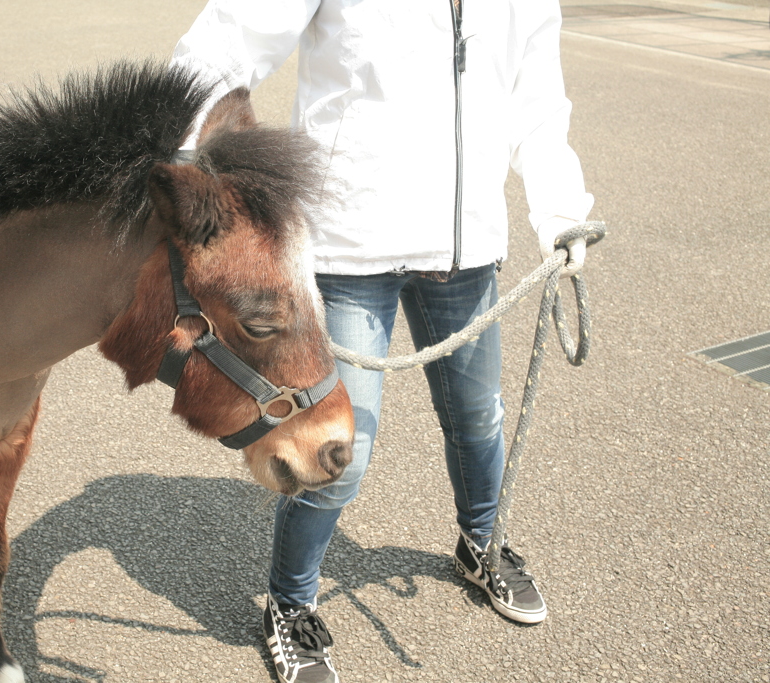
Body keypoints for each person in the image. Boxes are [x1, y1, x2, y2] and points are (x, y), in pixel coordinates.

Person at [171, 2, 594, 681]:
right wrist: (174, 146)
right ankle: (290, 603)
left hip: (467, 249)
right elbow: (232, 36)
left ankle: (481, 542)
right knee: (342, 451)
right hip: (349, 247)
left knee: (479, 418)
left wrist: (563, 213)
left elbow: (536, 99)